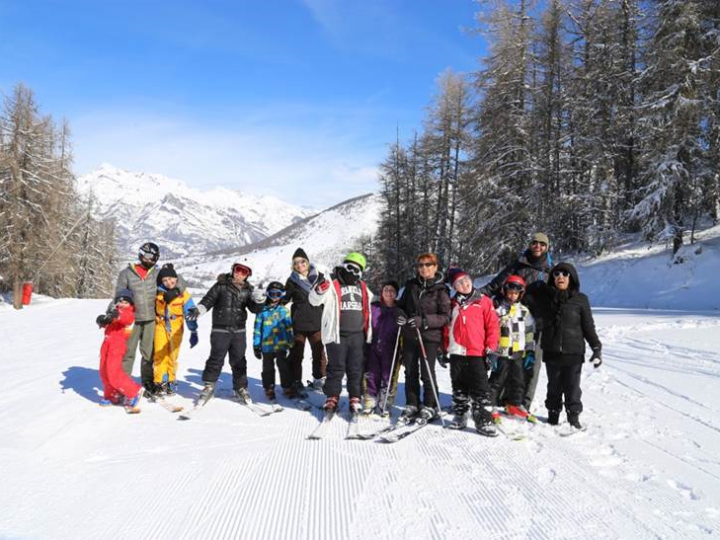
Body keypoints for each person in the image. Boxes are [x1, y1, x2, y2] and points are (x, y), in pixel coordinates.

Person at [480, 232, 552, 411]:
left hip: (536, 324)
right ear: (530, 244)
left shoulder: (550, 271)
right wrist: (473, 297)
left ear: (547, 248)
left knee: (530, 366)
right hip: (511, 321)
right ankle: (496, 400)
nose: (538, 246)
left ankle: (521, 404)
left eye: (542, 244)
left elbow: (556, 297)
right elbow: (494, 285)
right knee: (506, 362)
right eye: (535, 243)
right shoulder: (517, 265)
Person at [112, 242, 190, 394]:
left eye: (153, 258)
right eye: (147, 256)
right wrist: (112, 313)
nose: (149, 260)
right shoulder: (126, 274)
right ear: (141, 254)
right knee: (128, 352)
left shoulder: (156, 273)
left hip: (150, 319)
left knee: (149, 354)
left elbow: (180, 280)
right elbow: (118, 296)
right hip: (132, 319)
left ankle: (148, 383)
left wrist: (176, 291)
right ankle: (123, 383)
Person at [530, 262, 602, 429]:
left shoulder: (580, 299)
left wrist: (596, 347)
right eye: (556, 274)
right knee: (553, 387)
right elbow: (526, 301)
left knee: (572, 387)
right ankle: (553, 415)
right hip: (552, 351)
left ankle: (573, 417)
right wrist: (534, 288)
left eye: (564, 274)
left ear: (572, 277)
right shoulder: (545, 298)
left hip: (574, 351)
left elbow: (588, 326)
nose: (560, 277)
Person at [308, 252, 373, 413]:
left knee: (355, 368)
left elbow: (373, 302)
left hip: (358, 334)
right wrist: (319, 291)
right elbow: (314, 301)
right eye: (350, 268)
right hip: (336, 334)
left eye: (358, 271)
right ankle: (332, 396)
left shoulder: (362, 286)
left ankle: (355, 397)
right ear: (344, 266)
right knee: (336, 368)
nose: (353, 273)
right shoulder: (333, 284)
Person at [195, 261, 264, 404]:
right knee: (216, 358)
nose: (240, 274)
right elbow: (209, 299)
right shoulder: (221, 285)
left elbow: (254, 309)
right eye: (238, 270)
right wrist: (200, 309)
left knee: (239, 360)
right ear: (233, 270)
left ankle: (240, 388)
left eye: (244, 272)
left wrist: (259, 300)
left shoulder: (248, 290)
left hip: (239, 330)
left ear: (247, 276)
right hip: (220, 329)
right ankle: (209, 386)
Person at [396, 253, 451, 423]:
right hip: (411, 334)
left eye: (428, 264)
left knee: (427, 373)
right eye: (421, 265)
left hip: (429, 336)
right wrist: (401, 316)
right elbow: (401, 306)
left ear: (435, 267)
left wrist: (425, 321)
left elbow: (445, 316)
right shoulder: (411, 285)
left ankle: (430, 404)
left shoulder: (441, 289)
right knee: (410, 371)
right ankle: (412, 404)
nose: (424, 268)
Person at [443, 270, 500, 436]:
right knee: (459, 385)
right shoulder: (452, 304)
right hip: (456, 352)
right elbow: (447, 329)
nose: (464, 284)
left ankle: (484, 419)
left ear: (471, 279)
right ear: (454, 287)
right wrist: (444, 348)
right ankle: (460, 414)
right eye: (459, 283)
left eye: (466, 279)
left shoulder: (484, 301)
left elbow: (493, 327)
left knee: (480, 387)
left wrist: (491, 349)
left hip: (477, 351)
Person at [487, 275, 536, 422]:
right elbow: (491, 330)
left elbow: (529, 332)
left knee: (518, 380)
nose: (512, 295)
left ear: (521, 293)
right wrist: (491, 352)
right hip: (501, 352)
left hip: (518, 353)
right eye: (510, 292)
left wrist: (530, 351)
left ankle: (513, 404)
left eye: (516, 293)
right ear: (505, 291)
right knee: (496, 380)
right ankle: (489, 405)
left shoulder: (524, 311)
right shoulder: (497, 309)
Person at [284, 248, 327, 396]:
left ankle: (319, 379)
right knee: (296, 354)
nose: (300, 264)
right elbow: (283, 299)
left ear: (307, 262)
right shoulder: (291, 281)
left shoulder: (320, 278)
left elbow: (328, 299)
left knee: (319, 353)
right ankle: (295, 381)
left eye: (302, 261)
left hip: (317, 322)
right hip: (298, 324)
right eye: (296, 262)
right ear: (293, 265)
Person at [152, 263, 199, 397]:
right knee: (160, 354)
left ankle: (170, 381)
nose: (168, 282)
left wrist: (193, 330)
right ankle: (160, 382)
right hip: (160, 325)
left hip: (176, 326)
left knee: (172, 355)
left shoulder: (183, 293)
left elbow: (190, 312)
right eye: (165, 280)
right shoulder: (157, 292)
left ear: (176, 278)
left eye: (171, 278)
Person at [95, 289, 143, 412]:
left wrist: (117, 315)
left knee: (113, 373)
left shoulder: (129, 313)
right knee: (104, 372)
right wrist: (103, 321)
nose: (122, 304)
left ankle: (134, 391)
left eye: (126, 302)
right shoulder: (114, 312)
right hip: (106, 345)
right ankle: (112, 395)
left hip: (117, 346)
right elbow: (110, 324)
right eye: (120, 301)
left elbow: (126, 319)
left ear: (130, 304)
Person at [253, 281, 294, 402]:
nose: (275, 297)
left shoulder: (284, 311)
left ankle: (287, 386)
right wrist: (256, 346)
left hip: (281, 345)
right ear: (268, 294)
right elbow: (257, 330)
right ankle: (269, 387)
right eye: (272, 294)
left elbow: (288, 328)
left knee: (284, 367)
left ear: (282, 295)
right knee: (268, 368)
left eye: (278, 294)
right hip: (267, 347)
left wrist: (291, 343)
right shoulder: (262, 311)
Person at [364, 280, 400, 414]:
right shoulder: (374, 307)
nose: (389, 293)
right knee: (373, 372)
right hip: (373, 345)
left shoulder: (399, 309)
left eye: (392, 290)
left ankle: (386, 398)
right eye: (386, 290)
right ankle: (371, 397)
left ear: (396, 294)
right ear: (381, 292)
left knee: (388, 373)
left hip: (390, 347)